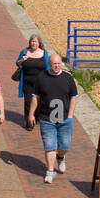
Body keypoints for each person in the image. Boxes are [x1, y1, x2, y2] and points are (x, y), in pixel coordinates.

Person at [27, 52, 78, 181]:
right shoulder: (41, 78)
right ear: (49, 64)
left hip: (65, 118)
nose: (56, 66)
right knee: (49, 145)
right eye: (54, 64)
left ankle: (61, 157)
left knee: (65, 145)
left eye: (58, 64)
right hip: (46, 119)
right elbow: (35, 97)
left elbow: (73, 97)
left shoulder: (68, 78)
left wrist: (71, 114)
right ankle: (50, 171)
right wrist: (31, 114)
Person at [15, 35, 50, 129]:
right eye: (32, 41)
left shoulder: (44, 53)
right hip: (27, 82)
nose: (34, 43)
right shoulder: (25, 51)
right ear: (30, 42)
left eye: (36, 41)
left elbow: (48, 67)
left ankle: (37, 117)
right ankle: (29, 122)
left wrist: (49, 79)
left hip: (40, 82)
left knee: (40, 101)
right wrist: (22, 60)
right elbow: (17, 63)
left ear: (39, 43)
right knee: (28, 101)